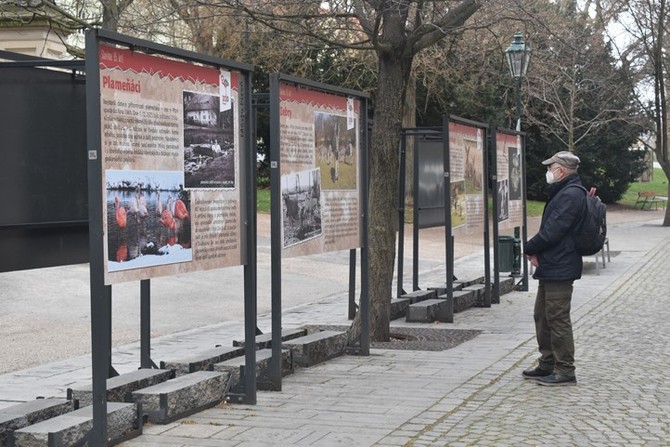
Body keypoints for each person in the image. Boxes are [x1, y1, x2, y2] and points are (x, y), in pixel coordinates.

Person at [522, 150, 585, 386]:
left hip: (561, 265)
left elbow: (553, 231)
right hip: (553, 264)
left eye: (551, 168)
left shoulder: (570, 195)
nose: (548, 172)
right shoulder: (563, 192)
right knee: (542, 315)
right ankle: (547, 363)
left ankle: (565, 370)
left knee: (557, 318)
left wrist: (529, 247)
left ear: (561, 171)